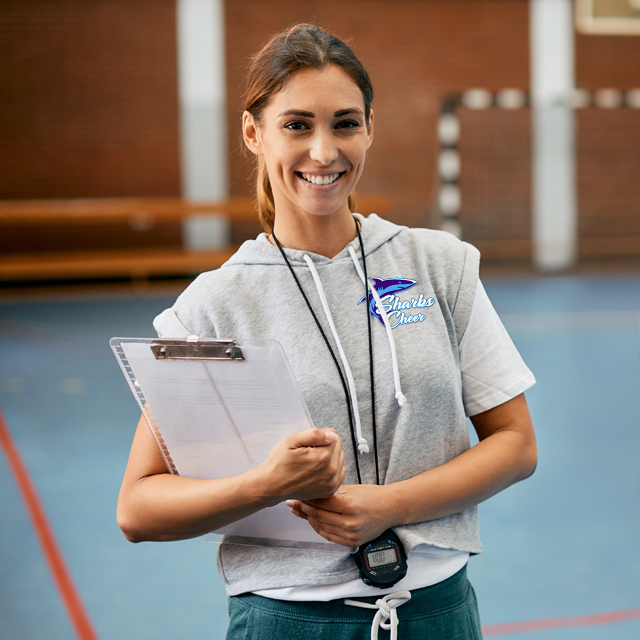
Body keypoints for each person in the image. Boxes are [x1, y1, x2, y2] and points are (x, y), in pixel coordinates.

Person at [117, 24, 537, 640]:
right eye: (296, 125)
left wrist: (391, 505)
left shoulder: (438, 265)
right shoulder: (214, 305)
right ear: (252, 132)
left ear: (369, 127)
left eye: (344, 123)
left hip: (436, 614)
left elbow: (516, 445)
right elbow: (138, 507)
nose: (323, 152)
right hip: (286, 620)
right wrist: (265, 486)